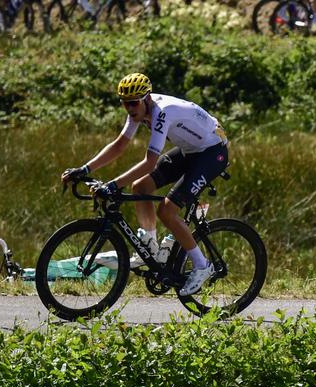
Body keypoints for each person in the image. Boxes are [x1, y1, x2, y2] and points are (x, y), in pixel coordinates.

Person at [60, 73, 230, 297]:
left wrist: (112, 185)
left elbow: (150, 161)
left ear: (146, 99)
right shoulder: (138, 110)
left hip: (212, 152)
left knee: (167, 210)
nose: (129, 108)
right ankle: (150, 247)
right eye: (124, 103)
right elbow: (120, 145)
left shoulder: (162, 113)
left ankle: (202, 266)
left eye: (133, 103)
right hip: (191, 150)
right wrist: (85, 169)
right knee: (140, 188)